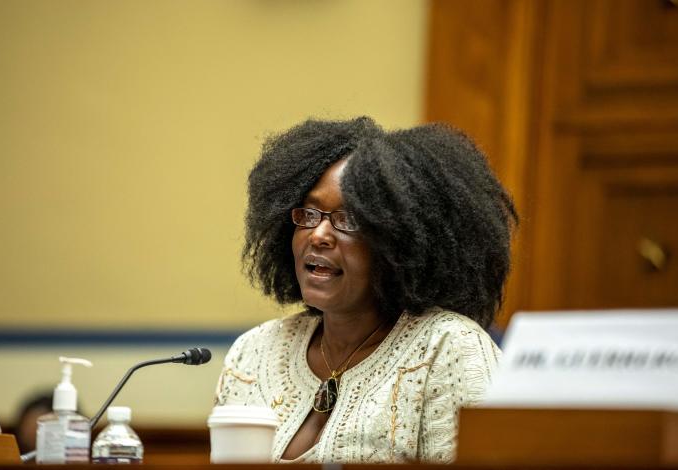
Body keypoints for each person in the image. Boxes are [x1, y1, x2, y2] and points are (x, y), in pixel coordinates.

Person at [213, 117, 517, 463]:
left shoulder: (450, 349)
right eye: (310, 213)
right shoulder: (254, 353)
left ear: (402, 244)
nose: (319, 234)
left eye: (349, 220)